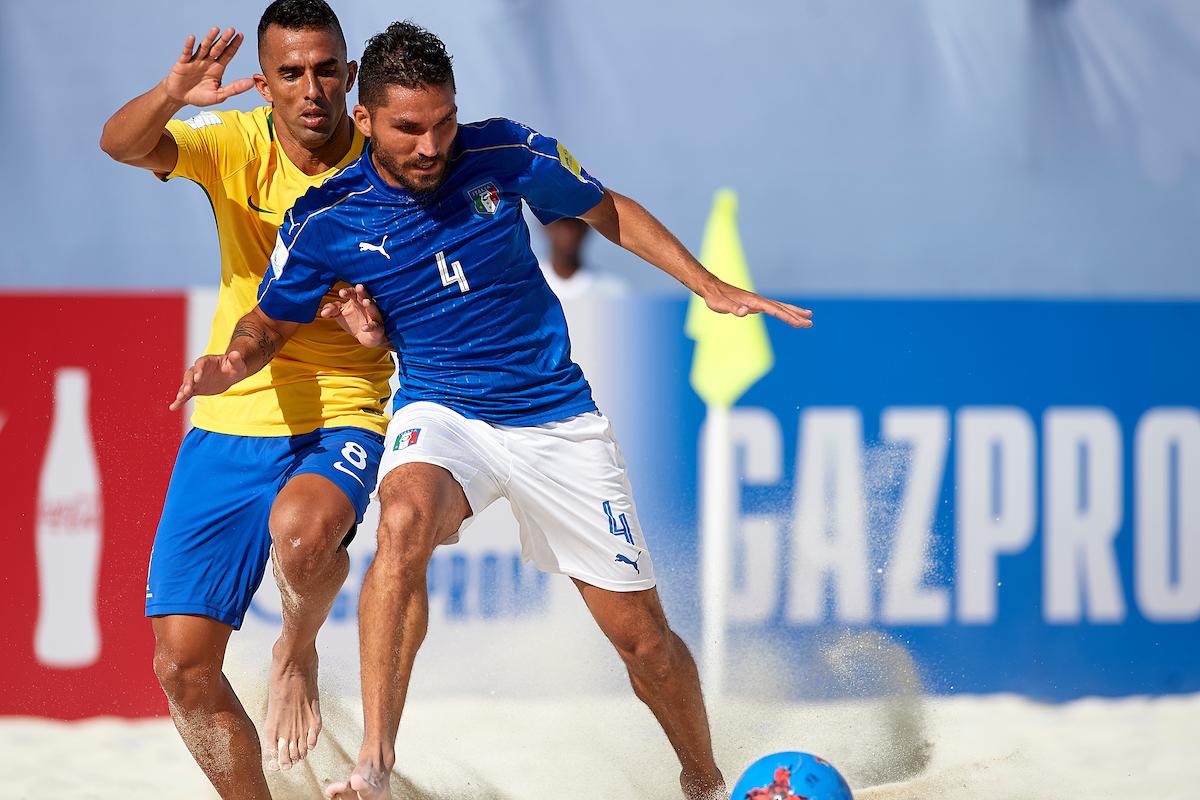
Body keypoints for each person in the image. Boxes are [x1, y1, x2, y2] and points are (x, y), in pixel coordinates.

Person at [172, 21, 813, 800]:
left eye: (443, 122)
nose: (431, 145)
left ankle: (704, 779)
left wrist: (707, 285)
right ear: (365, 119)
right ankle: (374, 761)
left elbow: (606, 208)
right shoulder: (327, 216)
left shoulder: (504, 152)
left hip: (555, 417)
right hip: (442, 410)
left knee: (644, 642)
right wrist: (232, 362)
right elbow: (270, 321)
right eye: (409, 128)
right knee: (403, 521)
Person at [98, 2, 394, 796]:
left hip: (342, 403)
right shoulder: (235, 143)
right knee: (181, 669)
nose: (311, 90)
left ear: (350, 76)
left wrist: (377, 326)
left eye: (326, 70)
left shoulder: (388, 163)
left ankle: (295, 648)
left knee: (302, 538)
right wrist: (172, 94)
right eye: (290, 74)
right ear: (264, 85)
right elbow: (118, 143)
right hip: (234, 409)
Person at [539, 215, 630, 300]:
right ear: (543, 225)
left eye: (577, 221)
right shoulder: (531, 284)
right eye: (561, 221)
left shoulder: (615, 293)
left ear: (589, 226)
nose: (569, 230)